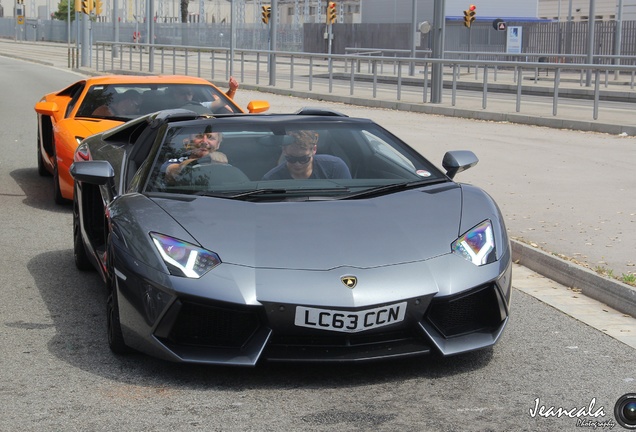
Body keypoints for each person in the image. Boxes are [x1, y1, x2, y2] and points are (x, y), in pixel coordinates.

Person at [262, 130, 351, 180]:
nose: (297, 164)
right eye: (291, 159)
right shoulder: (271, 179)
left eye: (303, 159)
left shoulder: (335, 167)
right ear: (284, 150)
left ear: (314, 150)